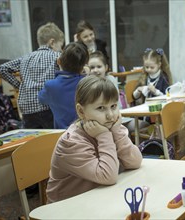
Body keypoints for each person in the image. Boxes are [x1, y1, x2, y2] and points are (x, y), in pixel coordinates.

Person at [46, 75, 143, 203]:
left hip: (98, 199)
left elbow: (135, 161)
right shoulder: (71, 142)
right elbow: (108, 176)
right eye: (101, 108)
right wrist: (104, 136)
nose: (110, 115)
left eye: (113, 106)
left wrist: (117, 133)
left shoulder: (111, 128)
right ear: (81, 111)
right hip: (68, 208)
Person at [0, 22, 64, 129]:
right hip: (47, 106)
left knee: (33, 140)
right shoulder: (57, 56)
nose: (61, 49)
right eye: (61, 45)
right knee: (52, 139)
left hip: (26, 108)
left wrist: (19, 86)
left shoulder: (26, 57)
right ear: (52, 42)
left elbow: (2, 69)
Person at [38, 42, 89, 129]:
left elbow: (41, 99)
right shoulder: (87, 83)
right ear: (84, 65)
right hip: (85, 132)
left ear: (59, 61)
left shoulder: (50, 85)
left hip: (61, 135)